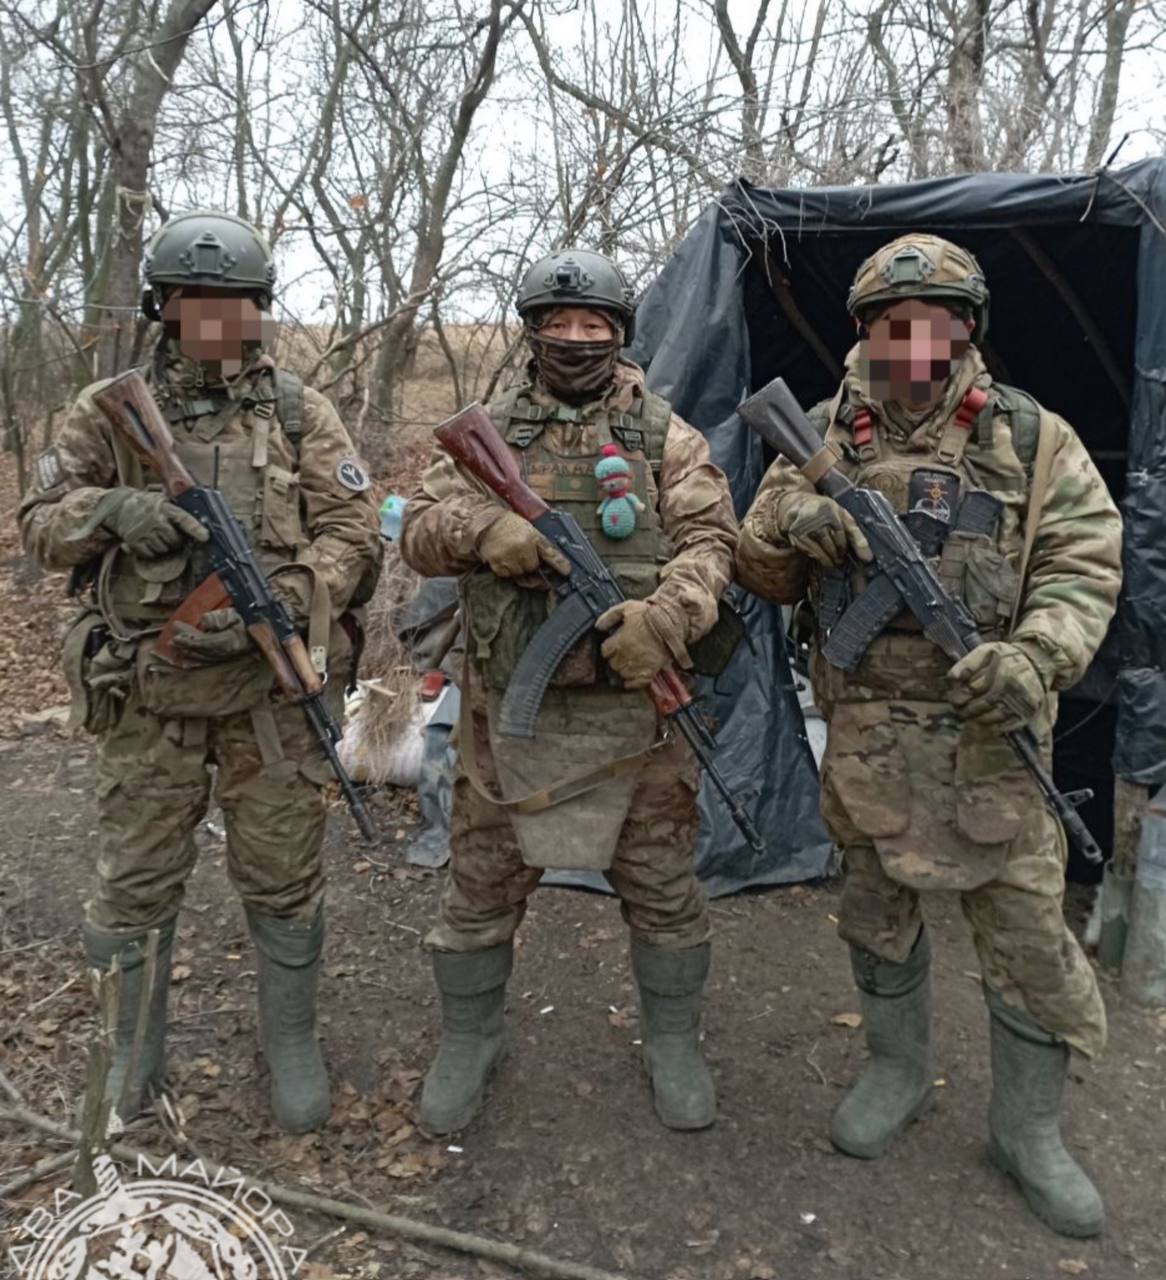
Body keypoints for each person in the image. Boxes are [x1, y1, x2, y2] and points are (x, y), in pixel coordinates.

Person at [736, 235, 1122, 1236]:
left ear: (965, 330)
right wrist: (792, 528)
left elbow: (1082, 563)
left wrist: (1033, 655)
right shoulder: (819, 431)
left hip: (990, 744)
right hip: (864, 749)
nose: (913, 342)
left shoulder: (1032, 439)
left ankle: (1025, 1130)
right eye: (890, 325)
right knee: (874, 918)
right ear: (865, 332)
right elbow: (757, 564)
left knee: (1031, 943)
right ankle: (895, 1070)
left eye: (934, 323)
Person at [19, 211, 382, 1133]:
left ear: (257, 310)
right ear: (166, 307)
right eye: (197, 302)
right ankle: (129, 1055)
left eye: (235, 303)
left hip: (269, 697)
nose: (217, 318)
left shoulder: (301, 409)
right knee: (135, 883)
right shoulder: (108, 407)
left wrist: (294, 596)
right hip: (147, 692)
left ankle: (290, 1043)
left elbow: (354, 533)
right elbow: (38, 520)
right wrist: (115, 510)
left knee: (284, 877)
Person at [400, 249, 738, 1134]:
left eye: (595, 327)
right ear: (534, 331)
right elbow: (421, 532)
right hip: (505, 713)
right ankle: (470, 1040)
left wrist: (667, 616)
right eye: (560, 325)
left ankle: (672, 1043)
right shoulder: (492, 432)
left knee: (664, 885)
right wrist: (487, 528)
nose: (576, 340)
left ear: (620, 335)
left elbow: (712, 542)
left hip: (639, 719)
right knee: (479, 886)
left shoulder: (667, 435)